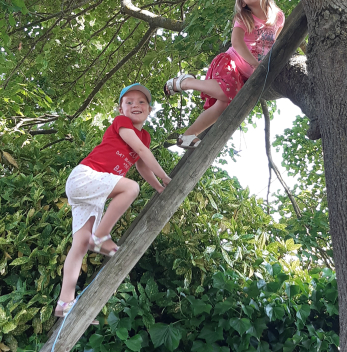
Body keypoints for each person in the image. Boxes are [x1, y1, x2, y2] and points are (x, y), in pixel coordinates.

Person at [55, 83, 172, 322]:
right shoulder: (122, 124)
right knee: (130, 187)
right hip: (86, 177)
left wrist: (159, 187)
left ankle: (64, 302)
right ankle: (101, 236)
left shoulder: (146, 136)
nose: (135, 105)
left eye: (141, 102)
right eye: (128, 102)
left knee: (80, 245)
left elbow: (140, 163)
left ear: (149, 109)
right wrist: (166, 177)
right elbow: (139, 149)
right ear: (121, 109)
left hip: (93, 190)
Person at [164, 0, 284, 149]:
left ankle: (188, 135)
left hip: (245, 76)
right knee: (224, 93)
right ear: (243, 3)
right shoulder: (244, 18)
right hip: (231, 63)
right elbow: (236, 42)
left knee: (223, 106)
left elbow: (272, 46)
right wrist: (254, 64)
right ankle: (186, 82)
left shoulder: (278, 17)